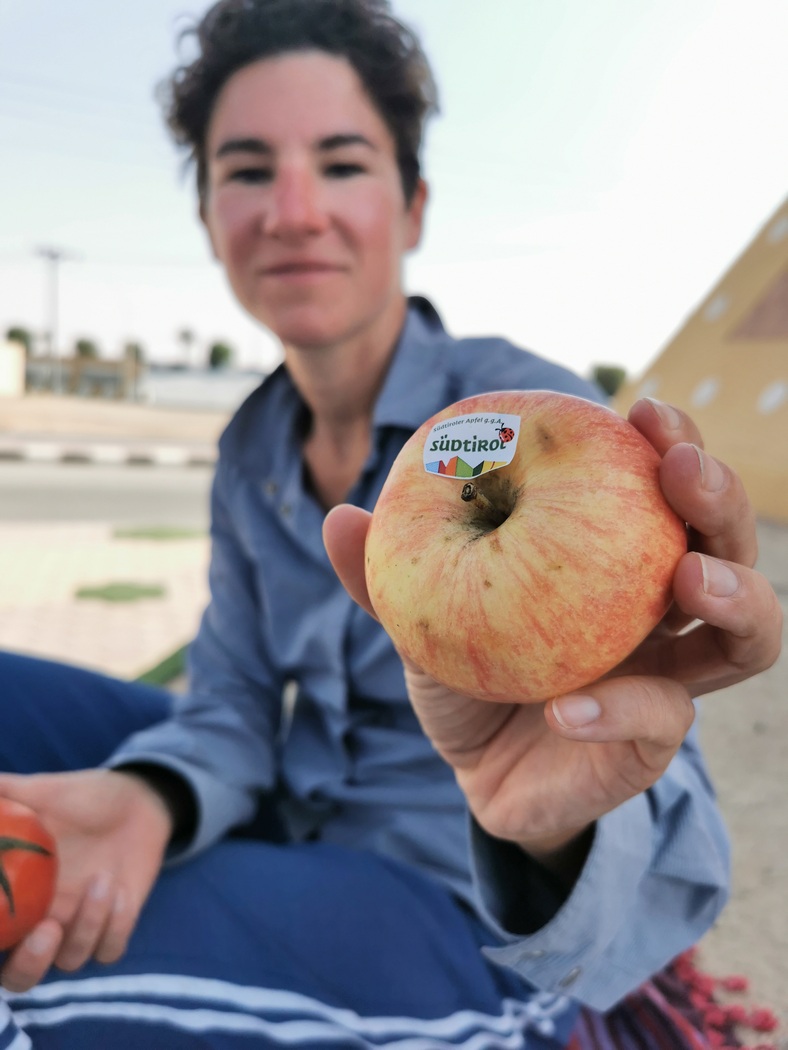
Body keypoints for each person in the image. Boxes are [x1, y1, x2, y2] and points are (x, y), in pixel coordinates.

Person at [0, 1, 781, 1047]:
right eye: (243, 169)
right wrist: (150, 797)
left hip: (448, 899)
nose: (290, 209)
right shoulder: (249, 450)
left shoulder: (529, 420)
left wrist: (542, 836)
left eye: (339, 162)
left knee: (33, 977)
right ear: (207, 220)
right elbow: (230, 703)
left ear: (410, 206)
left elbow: (655, 764)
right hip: (290, 814)